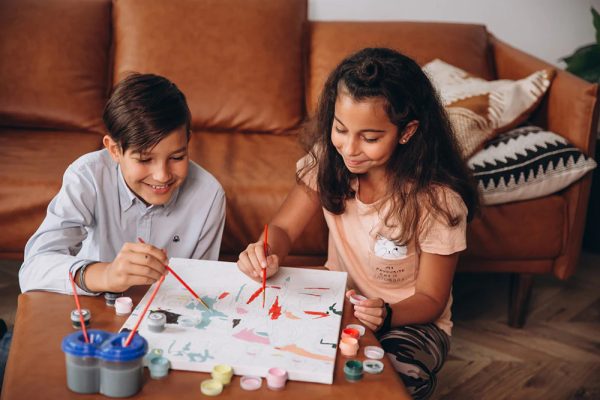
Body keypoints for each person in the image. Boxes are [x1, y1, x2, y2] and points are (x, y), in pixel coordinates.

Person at [237, 48, 479, 399]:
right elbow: (285, 229)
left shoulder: (437, 201)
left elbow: (431, 298)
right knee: (284, 362)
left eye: (369, 138)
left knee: (385, 381)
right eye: (340, 129)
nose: (349, 149)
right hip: (338, 303)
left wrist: (386, 314)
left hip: (409, 321)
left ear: (407, 132)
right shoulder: (327, 160)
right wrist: (266, 250)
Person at [20, 73, 226, 295]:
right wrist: (106, 275)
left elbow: (202, 285)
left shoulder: (210, 195)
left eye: (177, 157)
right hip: (95, 308)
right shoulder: (87, 176)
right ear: (114, 151)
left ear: (188, 143)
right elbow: (33, 268)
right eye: (145, 160)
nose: (162, 176)